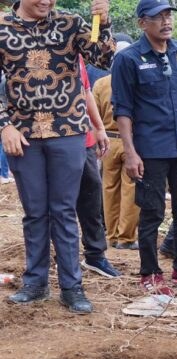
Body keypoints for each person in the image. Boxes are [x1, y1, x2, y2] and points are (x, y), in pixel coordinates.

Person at [1, 0, 114, 314]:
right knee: (35, 212)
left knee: (64, 211)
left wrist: (103, 22)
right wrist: (4, 125)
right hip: (23, 136)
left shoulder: (70, 23)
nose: (47, 1)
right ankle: (35, 283)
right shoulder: (2, 29)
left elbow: (103, 59)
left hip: (68, 132)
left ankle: (72, 286)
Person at [112, 0, 177, 295]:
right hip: (150, 150)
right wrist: (130, 152)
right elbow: (123, 109)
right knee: (152, 212)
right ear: (143, 23)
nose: (166, 21)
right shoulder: (128, 59)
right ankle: (150, 273)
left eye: (169, 15)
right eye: (158, 17)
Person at [76, 55, 122, 279]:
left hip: (83, 139)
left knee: (92, 196)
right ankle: (56, 257)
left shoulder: (77, 57)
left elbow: (86, 92)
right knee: (57, 205)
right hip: (55, 141)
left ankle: (95, 254)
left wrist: (99, 128)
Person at [94, 39, 140, 251]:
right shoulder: (136, 80)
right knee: (131, 189)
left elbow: (93, 115)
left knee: (109, 188)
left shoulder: (101, 84)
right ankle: (126, 237)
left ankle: (111, 235)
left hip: (108, 141)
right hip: (131, 140)